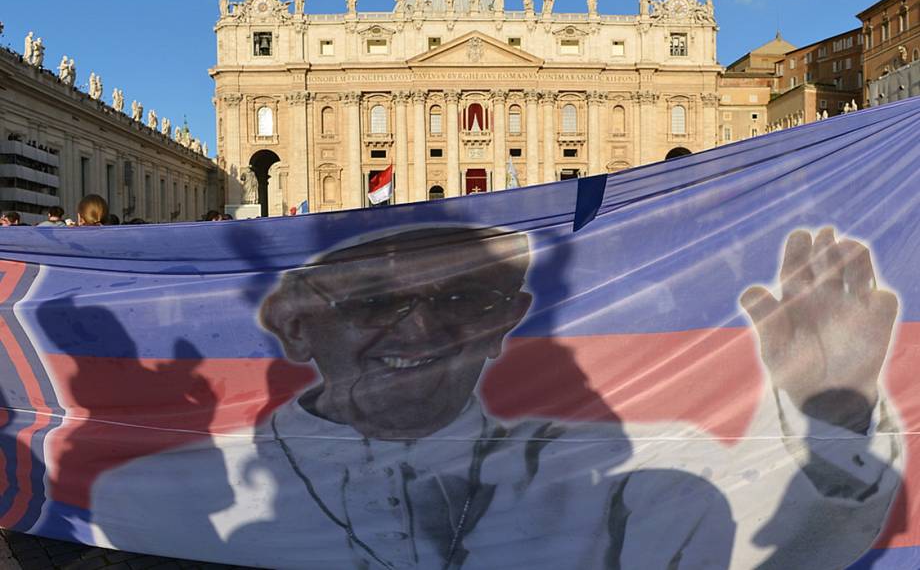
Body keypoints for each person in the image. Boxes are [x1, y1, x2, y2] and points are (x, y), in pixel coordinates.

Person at [90, 226, 901, 569]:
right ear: (296, 327)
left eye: (465, 299)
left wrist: (832, 412)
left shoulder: (656, 470)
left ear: (509, 321)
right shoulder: (156, 491)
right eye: (372, 301)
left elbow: (780, 551)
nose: (421, 326)